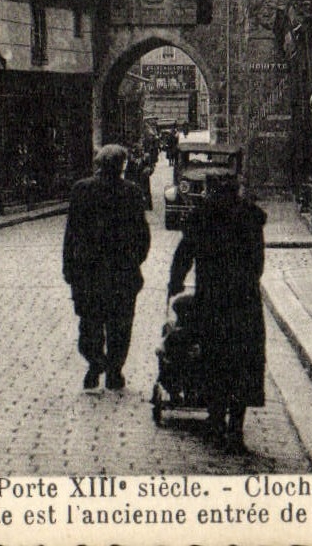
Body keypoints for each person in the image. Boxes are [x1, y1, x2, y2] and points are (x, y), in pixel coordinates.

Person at [167, 174, 267, 453]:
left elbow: (183, 254)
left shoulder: (201, 216)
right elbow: (258, 263)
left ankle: (214, 423)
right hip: (245, 301)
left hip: (211, 300)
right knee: (243, 363)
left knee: (213, 359)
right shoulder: (250, 217)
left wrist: (175, 282)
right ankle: (236, 429)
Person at [62, 143, 150, 392]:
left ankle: (95, 363)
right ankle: (114, 371)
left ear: (99, 164)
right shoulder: (131, 192)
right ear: (122, 165)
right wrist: (134, 261)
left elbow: (71, 233)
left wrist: (69, 266)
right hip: (122, 272)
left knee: (89, 323)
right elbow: (143, 234)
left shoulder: (81, 190)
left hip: (88, 272)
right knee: (120, 325)